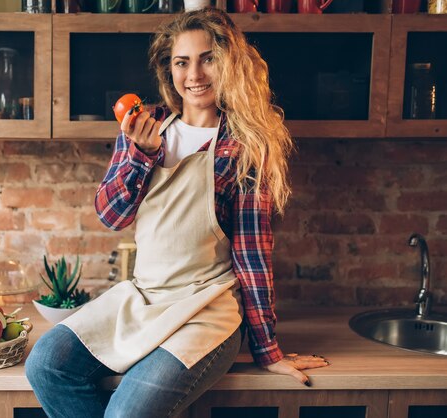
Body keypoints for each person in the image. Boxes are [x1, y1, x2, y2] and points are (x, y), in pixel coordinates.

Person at [26, 7, 329, 418]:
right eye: (182, 62)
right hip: (143, 298)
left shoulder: (243, 147)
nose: (195, 74)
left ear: (228, 63)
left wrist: (267, 349)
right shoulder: (144, 129)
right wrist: (140, 156)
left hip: (207, 312)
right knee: (46, 365)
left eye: (208, 59)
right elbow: (110, 215)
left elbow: (252, 255)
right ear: (168, 69)